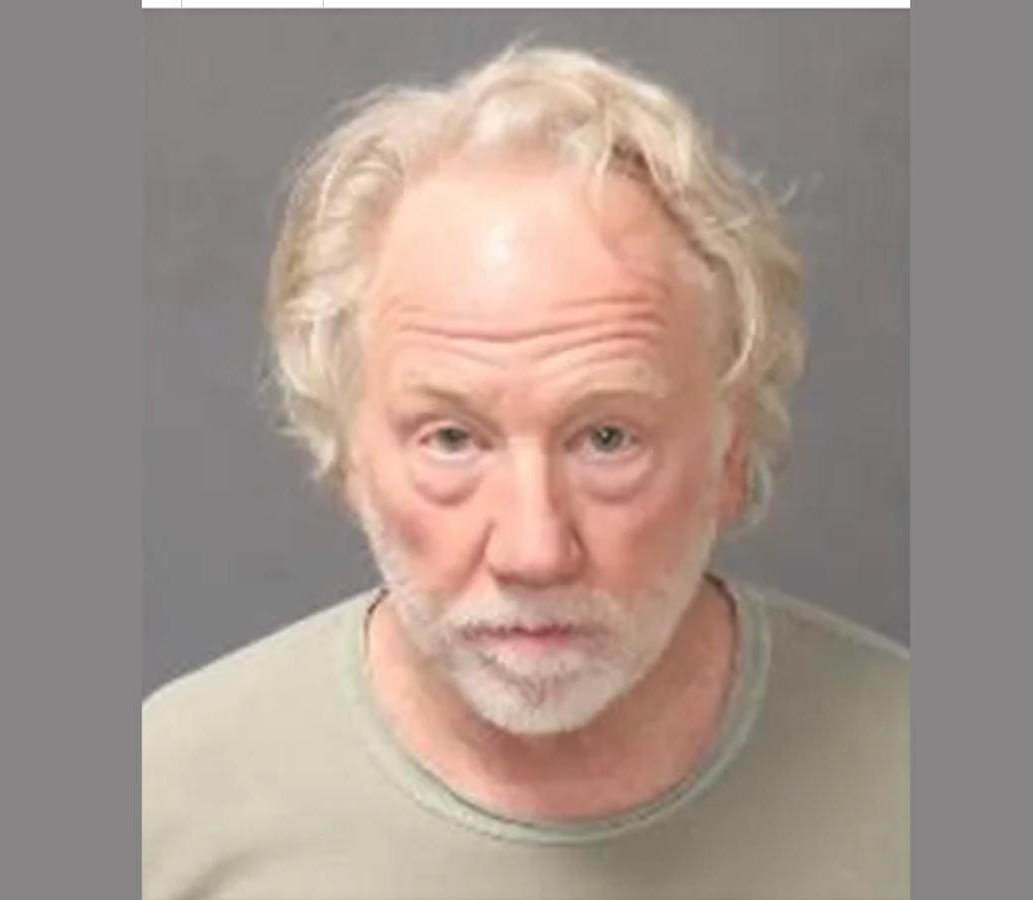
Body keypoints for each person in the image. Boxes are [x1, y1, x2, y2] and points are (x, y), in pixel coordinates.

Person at [143, 42, 909, 900]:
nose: (535, 550)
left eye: (608, 438)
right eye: (451, 439)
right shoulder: (160, 805)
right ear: (349, 457)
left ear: (731, 455)